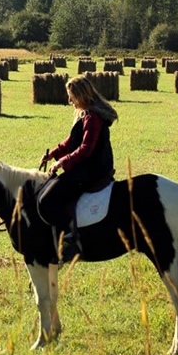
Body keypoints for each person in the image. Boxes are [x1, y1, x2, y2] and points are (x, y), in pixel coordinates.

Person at [37, 75, 118, 262]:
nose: (69, 100)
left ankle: (70, 240)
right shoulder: (85, 114)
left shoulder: (93, 118)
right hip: (87, 167)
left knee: (47, 199)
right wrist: (53, 154)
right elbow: (71, 141)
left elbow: (85, 149)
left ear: (81, 95)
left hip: (92, 170)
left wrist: (62, 162)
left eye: (71, 96)